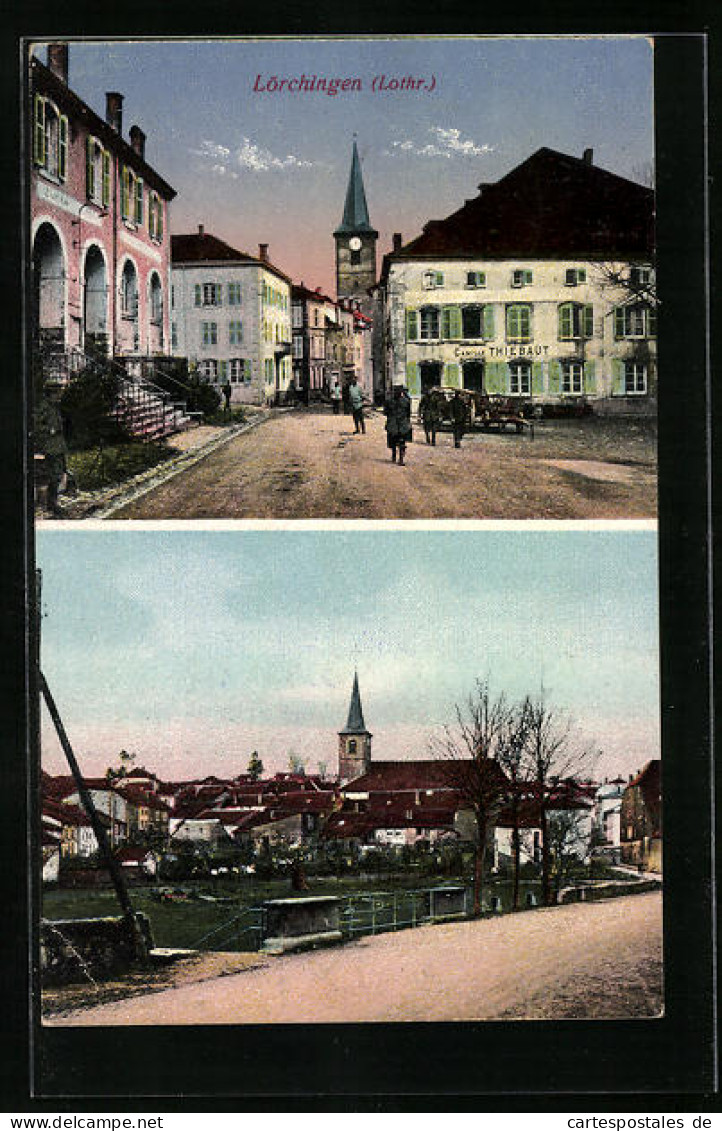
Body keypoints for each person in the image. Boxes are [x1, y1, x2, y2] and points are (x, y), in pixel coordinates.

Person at [34, 378, 69, 516]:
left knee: (59, 473)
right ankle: (52, 504)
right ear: (51, 393)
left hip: (58, 445)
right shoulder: (44, 407)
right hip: (50, 446)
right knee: (53, 475)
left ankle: (53, 502)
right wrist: (50, 430)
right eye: (58, 392)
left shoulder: (54, 406)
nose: (60, 395)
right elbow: (36, 425)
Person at [384, 382, 412, 465]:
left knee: (398, 441)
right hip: (398, 423)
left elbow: (386, 412)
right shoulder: (405, 401)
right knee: (398, 441)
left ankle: (399, 458)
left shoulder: (390, 400)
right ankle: (397, 457)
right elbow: (408, 413)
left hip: (398, 423)